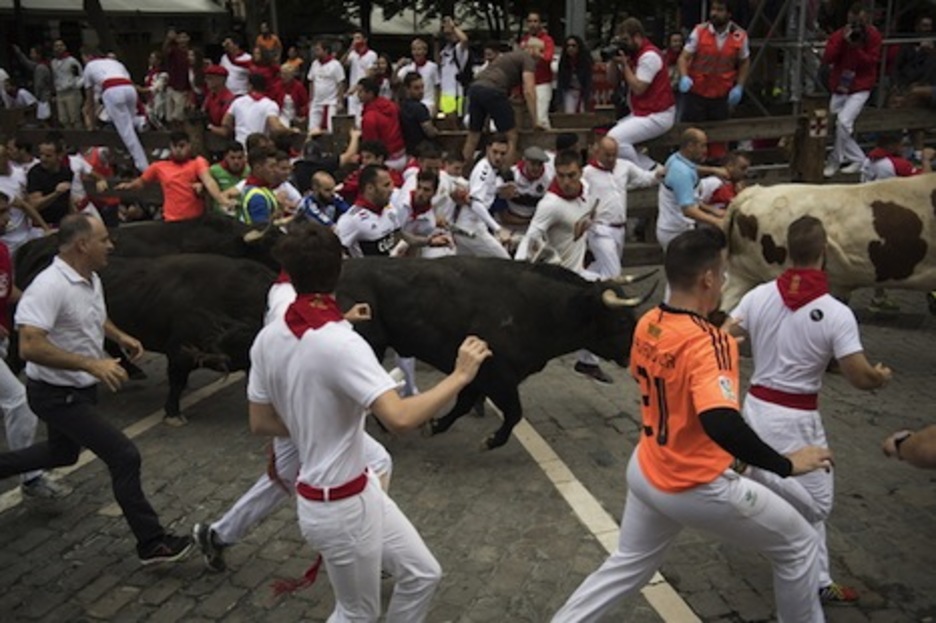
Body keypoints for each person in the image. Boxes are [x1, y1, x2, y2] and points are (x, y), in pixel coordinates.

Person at [551, 227, 833, 623]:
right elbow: (720, 421)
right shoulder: (709, 342)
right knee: (800, 546)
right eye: (724, 273)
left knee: (628, 564)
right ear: (708, 279)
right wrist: (786, 464)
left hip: (648, 468)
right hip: (694, 482)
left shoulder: (649, 320)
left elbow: (657, 370)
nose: (725, 282)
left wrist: (709, 355)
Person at [246, 220, 491, 621]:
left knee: (422, 574)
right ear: (341, 268)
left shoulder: (272, 336)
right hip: (339, 505)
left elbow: (260, 421)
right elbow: (400, 418)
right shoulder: (342, 344)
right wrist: (460, 376)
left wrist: (316, 421)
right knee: (356, 613)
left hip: (350, 494)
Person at [0, 213, 194, 563]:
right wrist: (92, 363)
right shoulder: (49, 287)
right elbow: (30, 345)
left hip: (79, 389)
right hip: (56, 394)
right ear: (82, 245)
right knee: (124, 456)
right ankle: (152, 542)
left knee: (63, 454)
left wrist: (119, 336)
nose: (111, 245)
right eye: (104, 239)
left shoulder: (89, 278)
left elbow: (92, 316)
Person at [727, 215, 892, 606]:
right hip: (797, 420)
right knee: (818, 505)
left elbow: (723, 338)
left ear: (786, 250)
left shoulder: (758, 296)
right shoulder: (835, 312)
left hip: (756, 408)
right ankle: (752, 470)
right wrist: (880, 376)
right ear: (824, 251)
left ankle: (818, 578)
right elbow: (858, 377)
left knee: (799, 504)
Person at [192, 250, 388, 572]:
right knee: (378, 461)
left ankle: (217, 535)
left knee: (281, 479)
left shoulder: (294, 293)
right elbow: (295, 340)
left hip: (296, 406)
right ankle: (369, 549)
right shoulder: (286, 297)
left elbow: (303, 330)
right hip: (300, 407)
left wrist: (344, 319)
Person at [0, 191, 70, 499]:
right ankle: (30, 477)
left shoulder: (3, 249)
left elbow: (8, 290)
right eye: (1, 214)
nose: (7, 218)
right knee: (18, 400)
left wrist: (38, 302)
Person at [678, 0, 751, 161]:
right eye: (713, 9)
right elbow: (684, 57)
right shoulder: (700, 31)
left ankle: (716, 168)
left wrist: (739, 86)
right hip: (696, 92)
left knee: (718, 139)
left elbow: (744, 61)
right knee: (691, 135)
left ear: (729, 14)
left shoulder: (739, 36)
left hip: (721, 94)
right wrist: (684, 76)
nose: (714, 13)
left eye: (720, 10)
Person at [583, 136, 662, 279]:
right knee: (614, 273)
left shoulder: (625, 166)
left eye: (614, 154)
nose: (611, 158)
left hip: (620, 229)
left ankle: (579, 281)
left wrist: (658, 174)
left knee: (602, 267)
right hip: (599, 229)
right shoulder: (587, 173)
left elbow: (645, 178)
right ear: (598, 152)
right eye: (607, 154)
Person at [606, 18, 677, 169]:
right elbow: (612, 81)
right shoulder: (632, 56)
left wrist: (625, 65)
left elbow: (639, 88)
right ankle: (653, 168)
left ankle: (641, 173)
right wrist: (613, 61)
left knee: (614, 139)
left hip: (658, 114)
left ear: (637, 37)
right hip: (642, 112)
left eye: (626, 40)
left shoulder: (649, 56)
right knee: (605, 137)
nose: (624, 44)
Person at [116, 131, 233, 222]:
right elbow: (141, 182)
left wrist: (220, 198)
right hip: (171, 220)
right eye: (174, 146)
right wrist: (129, 185)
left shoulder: (198, 162)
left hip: (195, 220)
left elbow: (208, 180)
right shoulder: (158, 167)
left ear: (189, 146)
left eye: (182, 146)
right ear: (170, 147)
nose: (178, 150)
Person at [822, 3, 882, 177]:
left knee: (843, 122)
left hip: (861, 86)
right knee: (837, 125)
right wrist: (843, 40)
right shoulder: (839, 35)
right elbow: (827, 58)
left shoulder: (874, 36)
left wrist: (857, 48)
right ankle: (860, 159)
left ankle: (834, 160)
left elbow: (871, 62)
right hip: (841, 85)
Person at [463, 40, 544, 164]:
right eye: (541, 51)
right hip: (493, 90)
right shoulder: (527, 58)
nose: (542, 55)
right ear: (532, 49)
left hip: (475, 88)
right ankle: (507, 170)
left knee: (473, 135)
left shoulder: (509, 57)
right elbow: (529, 91)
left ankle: (461, 171)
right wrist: (535, 121)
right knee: (511, 136)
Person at [81, 48, 149, 173]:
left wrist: (92, 124)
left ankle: (143, 166)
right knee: (127, 120)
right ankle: (139, 121)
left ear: (87, 56)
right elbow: (130, 81)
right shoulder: (116, 63)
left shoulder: (89, 66)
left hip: (112, 90)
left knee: (126, 131)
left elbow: (89, 100)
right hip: (129, 89)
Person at [656, 128, 723, 251]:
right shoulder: (681, 173)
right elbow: (688, 210)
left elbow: (692, 170)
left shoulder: (676, 158)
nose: (705, 151)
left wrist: (713, 170)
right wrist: (717, 222)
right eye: (702, 146)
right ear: (691, 146)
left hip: (674, 228)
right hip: (676, 232)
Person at [457, 135, 512, 258]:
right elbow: (475, 202)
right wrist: (498, 229)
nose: (498, 157)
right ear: (487, 149)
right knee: (505, 262)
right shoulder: (484, 170)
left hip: (466, 228)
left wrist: (498, 190)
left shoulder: (490, 170)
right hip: (472, 228)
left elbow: (483, 191)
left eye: (502, 154)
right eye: (495, 152)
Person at [221, 74, 292, 146]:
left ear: (250, 86)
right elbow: (276, 128)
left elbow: (225, 122)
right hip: (259, 147)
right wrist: (291, 131)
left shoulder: (238, 101)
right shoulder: (269, 104)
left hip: (240, 145)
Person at [501, 145, 553, 235]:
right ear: (525, 161)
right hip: (508, 227)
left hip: (533, 228)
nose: (536, 168)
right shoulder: (511, 176)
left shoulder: (548, 180)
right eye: (533, 164)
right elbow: (503, 214)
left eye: (539, 164)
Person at [358, 78, 407, 170]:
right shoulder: (392, 105)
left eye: (361, 91)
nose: (358, 95)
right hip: (401, 155)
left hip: (385, 161)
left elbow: (370, 146)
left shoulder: (369, 118)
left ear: (370, 94)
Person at [520, 11, 556, 129]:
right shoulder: (523, 41)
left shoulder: (547, 40)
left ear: (540, 23)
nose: (532, 24)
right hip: (526, 83)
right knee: (528, 118)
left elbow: (548, 58)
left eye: (535, 21)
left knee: (541, 117)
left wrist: (537, 54)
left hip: (542, 82)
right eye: (530, 21)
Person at [27, 138, 75, 228]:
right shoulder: (35, 173)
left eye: (48, 156)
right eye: (41, 154)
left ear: (59, 156)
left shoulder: (66, 172)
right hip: (42, 226)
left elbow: (68, 199)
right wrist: (56, 194)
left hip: (63, 223)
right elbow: (35, 204)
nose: (43, 159)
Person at [306, 40, 345, 134]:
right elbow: (311, 81)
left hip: (331, 101)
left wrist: (340, 100)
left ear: (326, 50)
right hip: (316, 101)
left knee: (331, 129)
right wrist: (311, 99)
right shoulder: (314, 64)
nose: (316, 52)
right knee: (312, 128)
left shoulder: (335, 65)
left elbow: (340, 83)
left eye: (318, 50)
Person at [234, 147, 281, 225]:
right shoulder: (256, 196)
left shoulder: (262, 188)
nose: (276, 170)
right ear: (258, 168)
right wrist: (286, 221)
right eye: (272, 166)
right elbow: (261, 229)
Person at [396, 38, 440, 116]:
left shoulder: (432, 67)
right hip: (411, 104)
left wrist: (436, 106)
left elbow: (437, 87)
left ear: (425, 51)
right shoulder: (408, 67)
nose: (416, 52)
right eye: (414, 49)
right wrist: (398, 67)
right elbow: (395, 82)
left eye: (419, 49)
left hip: (428, 103)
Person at [438, 16, 471, 117]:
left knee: (457, 122)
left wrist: (453, 27)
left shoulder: (460, 50)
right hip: (445, 93)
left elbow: (464, 40)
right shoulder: (445, 50)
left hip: (456, 93)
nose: (449, 35)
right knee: (445, 123)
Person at [399, 73, 440, 155]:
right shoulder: (419, 108)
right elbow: (430, 132)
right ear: (407, 89)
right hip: (423, 151)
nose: (421, 91)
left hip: (407, 150)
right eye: (416, 88)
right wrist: (436, 131)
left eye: (422, 87)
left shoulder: (401, 106)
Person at [12, 45, 53, 123]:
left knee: (45, 121)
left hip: (44, 98)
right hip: (43, 98)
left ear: (39, 55)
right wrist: (19, 53)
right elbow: (27, 63)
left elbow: (39, 85)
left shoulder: (41, 68)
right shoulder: (38, 66)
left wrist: (36, 97)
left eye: (32, 53)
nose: (31, 55)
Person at [343, 30, 378, 121]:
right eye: (354, 38)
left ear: (365, 40)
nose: (355, 41)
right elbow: (343, 64)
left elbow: (369, 74)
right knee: (352, 117)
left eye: (358, 38)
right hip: (352, 91)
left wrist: (357, 87)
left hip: (364, 90)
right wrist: (350, 49)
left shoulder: (371, 55)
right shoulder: (352, 54)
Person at [51, 39, 84, 130]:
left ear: (65, 47)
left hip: (71, 92)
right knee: (63, 119)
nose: (59, 48)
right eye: (56, 46)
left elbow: (81, 75)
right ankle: (70, 140)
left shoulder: (72, 61)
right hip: (60, 93)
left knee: (74, 118)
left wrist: (75, 85)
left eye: (61, 45)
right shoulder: (53, 62)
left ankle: (80, 140)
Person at [162, 29, 192, 128]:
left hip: (184, 88)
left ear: (188, 39)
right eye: (180, 37)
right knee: (170, 117)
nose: (182, 40)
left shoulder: (191, 53)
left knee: (179, 116)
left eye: (185, 37)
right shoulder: (173, 51)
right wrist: (168, 39)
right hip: (172, 86)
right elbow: (165, 51)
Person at [556, 36, 593, 114]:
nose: (570, 48)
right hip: (569, 91)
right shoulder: (563, 62)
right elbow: (560, 81)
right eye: (568, 46)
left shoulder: (585, 61)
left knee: (583, 113)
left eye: (573, 46)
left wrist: (587, 95)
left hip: (582, 91)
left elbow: (588, 80)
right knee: (569, 113)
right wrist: (559, 99)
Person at [203, 64, 235, 137]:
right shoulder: (210, 95)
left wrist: (208, 126)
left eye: (210, 78)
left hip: (224, 141)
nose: (206, 81)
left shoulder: (228, 99)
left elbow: (225, 132)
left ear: (221, 80)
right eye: (206, 78)